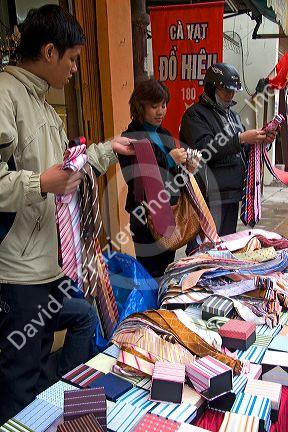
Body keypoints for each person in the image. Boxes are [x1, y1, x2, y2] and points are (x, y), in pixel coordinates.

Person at [0, 4, 134, 424]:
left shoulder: (42, 103)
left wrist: (104, 150)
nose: (76, 69)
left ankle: (52, 407)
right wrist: (39, 183)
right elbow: (45, 178)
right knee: (18, 381)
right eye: (73, 59)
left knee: (78, 323)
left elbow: (64, 166)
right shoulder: (6, 95)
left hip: (46, 266)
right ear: (50, 51)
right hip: (16, 274)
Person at [180, 63, 277, 238]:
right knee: (206, 249)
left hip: (232, 194)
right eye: (226, 91)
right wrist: (240, 138)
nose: (230, 96)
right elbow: (204, 149)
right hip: (209, 195)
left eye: (233, 92)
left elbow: (243, 150)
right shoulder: (195, 115)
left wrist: (262, 141)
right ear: (211, 88)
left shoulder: (233, 116)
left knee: (226, 244)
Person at [119, 78, 187, 278]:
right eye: (154, 106)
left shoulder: (164, 133)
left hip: (169, 211)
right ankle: (149, 309)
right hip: (144, 215)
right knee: (150, 274)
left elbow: (173, 175)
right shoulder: (130, 137)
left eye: (164, 105)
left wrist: (185, 165)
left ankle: (163, 308)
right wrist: (169, 160)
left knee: (167, 270)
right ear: (140, 106)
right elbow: (136, 175)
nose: (160, 111)